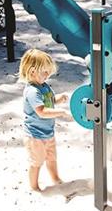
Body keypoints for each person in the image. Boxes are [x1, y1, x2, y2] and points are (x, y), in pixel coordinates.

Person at [19, 48, 73, 191]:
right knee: (36, 162)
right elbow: (42, 111)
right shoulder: (32, 91)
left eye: (48, 71)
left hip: (48, 132)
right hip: (35, 135)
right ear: (32, 72)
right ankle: (34, 187)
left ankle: (56, 179)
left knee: (51, 158)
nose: (48, 74)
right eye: (44, 71)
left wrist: (59, 99)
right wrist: (61, 112)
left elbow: (49, 101)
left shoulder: (43, 86)